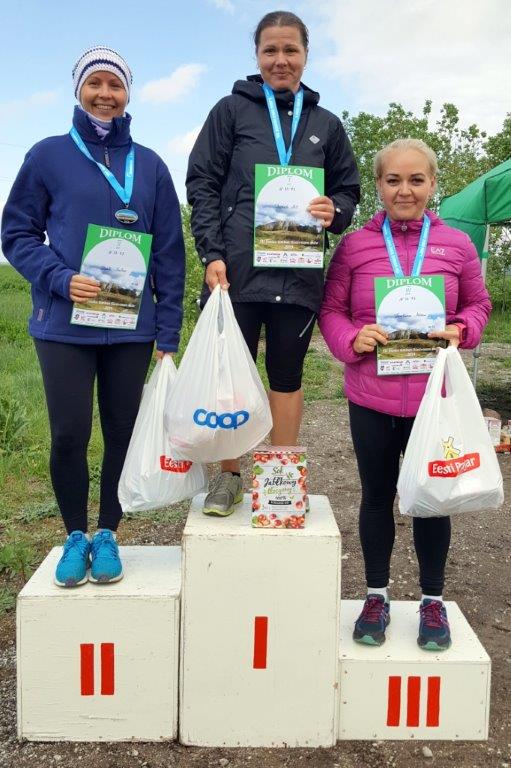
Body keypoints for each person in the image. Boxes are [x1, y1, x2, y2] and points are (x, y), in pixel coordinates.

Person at [1, 46, 185, 587]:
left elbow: (169, 253)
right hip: (64, 326)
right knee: (69, 433)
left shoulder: (150, 166)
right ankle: (74, 535)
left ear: (128, 93)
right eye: (95, 83)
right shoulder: (47, 155)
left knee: (122, 431)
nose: (106, 94)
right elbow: (17, 234)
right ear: (78, 89)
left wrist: (167, 330)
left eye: (116, 85)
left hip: (132, 328)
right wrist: (60, 278)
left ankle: (107, 533)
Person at [319, 138, 491, 650]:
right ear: (379, 185)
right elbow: (331, 311)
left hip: (432, 403)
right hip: (370, 398)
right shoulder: (355, 246)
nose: (405, 190)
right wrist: (352, 339)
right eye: (393, 180)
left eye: (416, 180)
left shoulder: (457, 245)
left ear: (432, 183)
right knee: (376, 497)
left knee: (433, 500)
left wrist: (463, 328)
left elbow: (479, 304)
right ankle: (376, 595)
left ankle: (432, 601)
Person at [186, 10, 360, 516]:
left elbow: (347, 190)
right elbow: (202, 183)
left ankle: (281, 478)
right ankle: (229, 477)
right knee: (229, 382)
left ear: (306, 55)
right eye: (270, 50)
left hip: (297, 275)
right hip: (235, 274)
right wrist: (212, 253)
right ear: (257, 55)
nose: (280, 60)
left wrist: (335, 210)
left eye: (290, 50)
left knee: (286, 376)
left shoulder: (326, 125)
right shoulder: (230, 111)